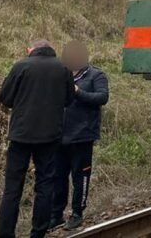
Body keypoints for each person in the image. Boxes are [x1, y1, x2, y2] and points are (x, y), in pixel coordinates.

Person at [0, 39, 75, 238]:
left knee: (12, 188)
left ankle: (5, 234)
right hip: (50, 136)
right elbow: (69, 100)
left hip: (21, 135)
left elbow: (5, 98)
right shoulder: (63, 68)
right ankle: (38, 233)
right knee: (45, 184)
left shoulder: (21, 66)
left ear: (31, 49)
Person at [50, 40, 109, 231]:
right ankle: (56, 215)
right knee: (58, 176)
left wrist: (78, 92)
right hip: (59, 135)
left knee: (80, 176)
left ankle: (77, 213)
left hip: (83, 135)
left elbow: (102, 98)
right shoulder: (60, 74)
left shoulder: (96, 75)